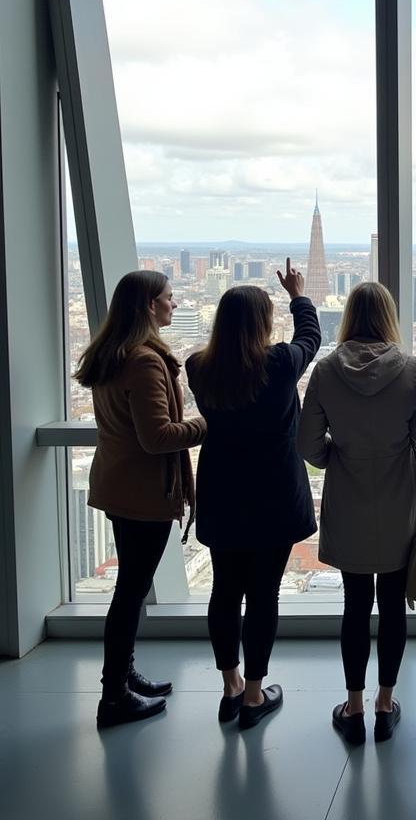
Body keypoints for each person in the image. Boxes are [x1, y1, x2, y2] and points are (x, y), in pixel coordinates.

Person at [186, 259, 320, 730]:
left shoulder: (197, 367)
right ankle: (255, 695)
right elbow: (312, 338)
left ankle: (229, 685)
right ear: (264, 323)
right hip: (274, 495)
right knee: (263, 594)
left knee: (225, 591)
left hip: (223, 492)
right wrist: (298, 295)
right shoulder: (280, 364)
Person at [298, 281, 416, 745]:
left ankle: (352, 706)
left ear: (349, 316)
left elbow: (308, 445)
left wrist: (341, 453)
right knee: (393, 605)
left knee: (355, 606)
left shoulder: (326, 371)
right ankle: (384, 702)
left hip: (349, 495)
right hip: (399, 498)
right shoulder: (412, 368)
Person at [75, 271, 207, 729]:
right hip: (143, 491)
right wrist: (207, 423)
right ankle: (115, 695)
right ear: (150, 306)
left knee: (129, 591)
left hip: (120, 485)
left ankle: (122, 679)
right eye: (170, 298)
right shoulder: (145, 361)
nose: (176, 303)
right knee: (130, 593)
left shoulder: (112, 354)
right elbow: (158, 437)